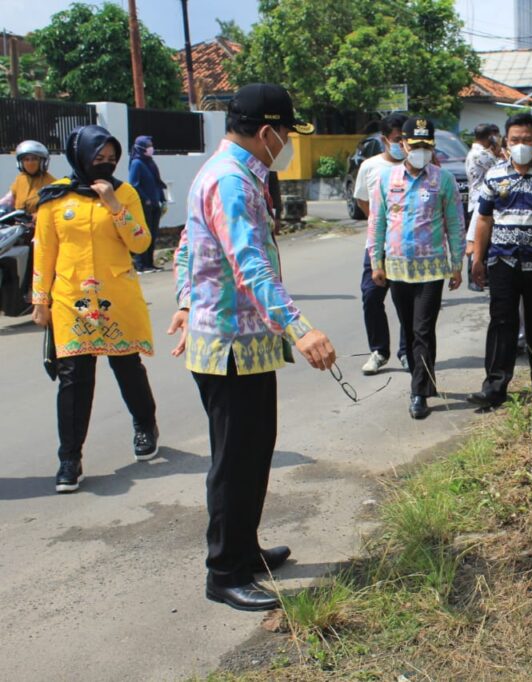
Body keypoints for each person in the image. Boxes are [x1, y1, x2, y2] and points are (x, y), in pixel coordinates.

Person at [168, 83, 336, 611]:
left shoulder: (235, 174)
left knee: (253, 452)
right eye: (285, 132)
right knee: (235, 461)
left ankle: (244, 548)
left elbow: (187, 245)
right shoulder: (231, 181)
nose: (287, 141)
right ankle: (224, 572)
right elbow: (250, 265)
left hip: (243, 342)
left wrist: (182, 298)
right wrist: (299, 327)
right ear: (267, 131)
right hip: (230, 346)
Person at [30, 125, 159, 494]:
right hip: (72, 300)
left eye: (111, 158)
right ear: (80, 157)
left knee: (127, 366)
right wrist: (41, 301)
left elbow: (141, 242)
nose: (105, 164)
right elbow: (44, 252)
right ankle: (69, 457)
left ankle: (145, 425)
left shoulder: (125, 192)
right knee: (74, 378)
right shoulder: (54, 199)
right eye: (97, 158)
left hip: (116, 296)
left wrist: (115, 207)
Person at [468, 112, 532, 408]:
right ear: (505, 142)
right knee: (502, 322)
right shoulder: (494, 176)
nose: (521, 145)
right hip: (503, 262)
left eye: (527, 140)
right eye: (515, 140)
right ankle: (495, 388)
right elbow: (484, 220)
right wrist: (478, 259)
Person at [368, 117, 465, 420]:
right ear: (403, 145)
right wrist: (376, 261)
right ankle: (423, 380)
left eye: (426, 145)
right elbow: (377, 222)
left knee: (423, 330)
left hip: (432, 269)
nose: (420, 150)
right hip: (397, 269)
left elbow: (454, 223)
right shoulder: (386, 179)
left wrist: (456, 263)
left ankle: (418, 392)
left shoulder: (443, 180)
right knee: (409, 331)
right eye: (415, 144)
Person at [353, 113, 409, 374]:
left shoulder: (418, 165)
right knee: (371, 296)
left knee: (405, 301)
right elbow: (363, 201)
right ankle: (379, 350)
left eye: (406, 139)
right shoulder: (371, 166)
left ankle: (407, 351)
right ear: (385, 140)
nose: (403, 144)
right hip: (378, 246)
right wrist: (380, 227)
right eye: (398, 139)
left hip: (407, 247)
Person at [464, 122, 501, 292]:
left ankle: (481, 276)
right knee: (476, 239)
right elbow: (500, 168)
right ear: (489, 137)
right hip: (481, 201)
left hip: (477, 199)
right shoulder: (481, 154)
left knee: (480, 239)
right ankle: (473, 278)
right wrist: (499, 151)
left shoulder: (474, 152)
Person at [127, 135, 167, 273]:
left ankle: (150, 263)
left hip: (155, 203)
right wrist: (146, 199)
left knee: (153, 234)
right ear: (141, 148)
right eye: (148, 145)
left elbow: (157, 182)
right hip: (145, 204)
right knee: (144, 233)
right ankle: (141, 264)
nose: (151, 148)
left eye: (151, 144)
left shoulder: (150, 162)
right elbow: (134, 184)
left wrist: (163, 199)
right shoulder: (137, 163)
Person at [0, 140, 56, 215]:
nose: (30, 162)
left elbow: (53, 209)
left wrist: (34, 217)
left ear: (42, 162)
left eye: (34, 159)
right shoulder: (20, 179)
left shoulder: (52, 184)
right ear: (21, 163)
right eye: (26, 159)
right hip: (18, 224)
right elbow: (8, 200)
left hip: (39, 224)